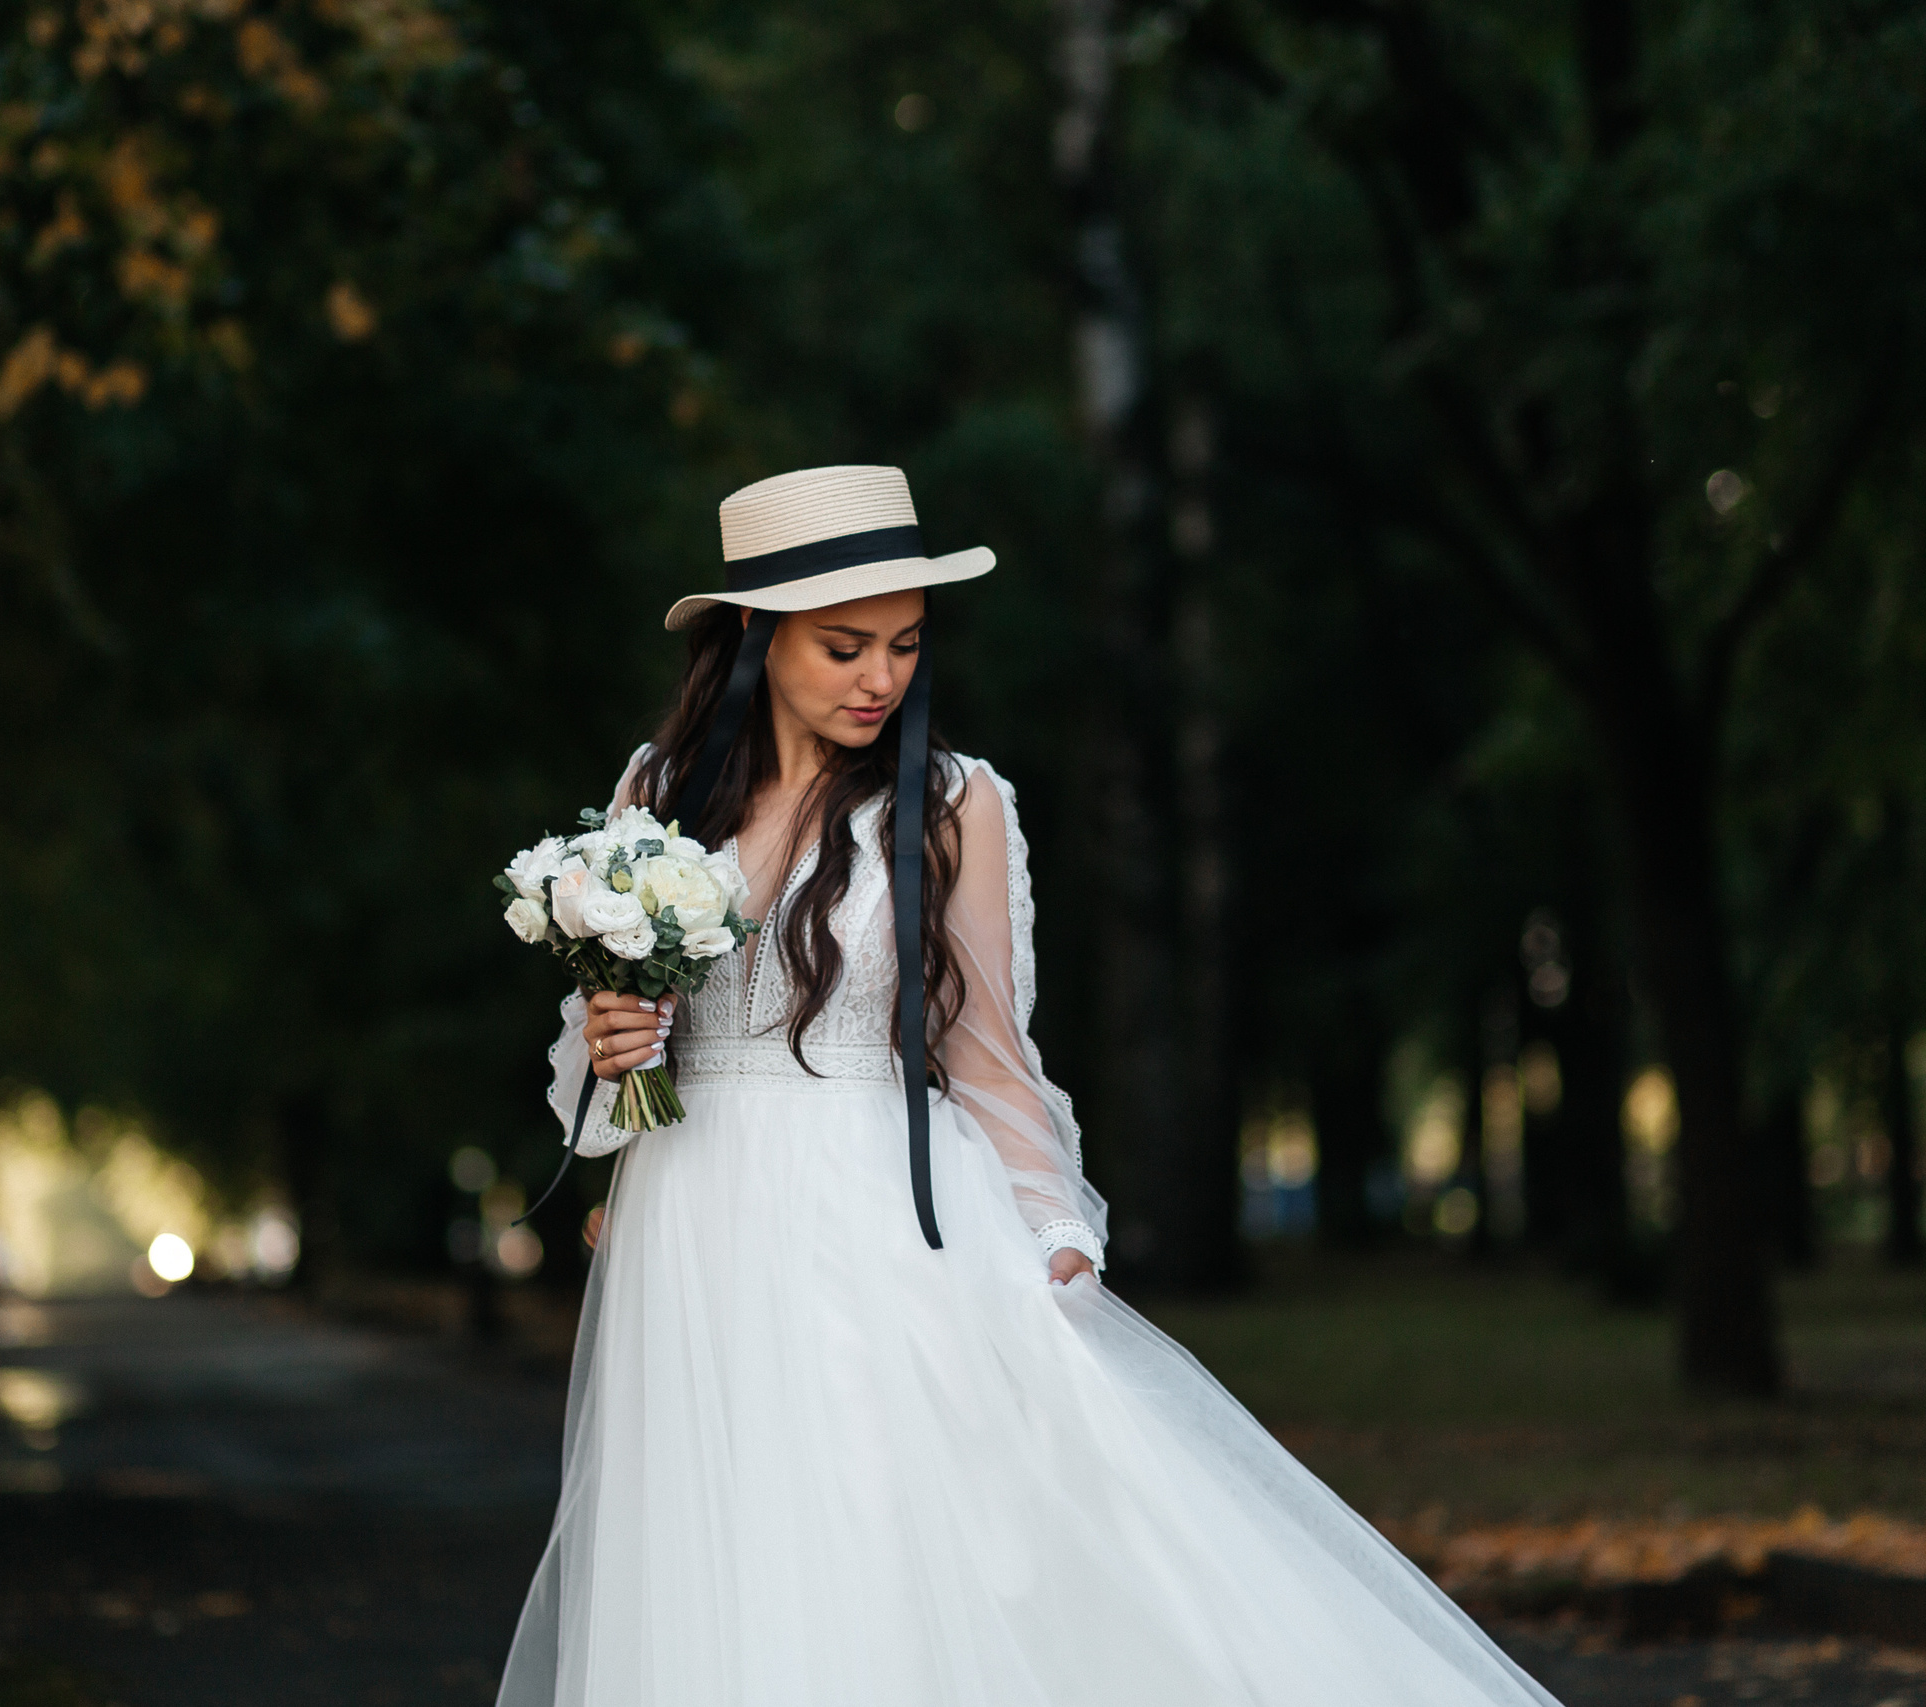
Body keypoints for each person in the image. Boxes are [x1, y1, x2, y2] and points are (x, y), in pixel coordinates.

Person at [496, 466, 1560, 1707]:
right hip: (691, 1220)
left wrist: (1054, 1223)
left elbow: (988, 1049)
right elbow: (600, 1063)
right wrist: (615, 1040)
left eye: (902, 644)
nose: (880, 679)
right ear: (753, 631)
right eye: (846, 647)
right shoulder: (653, 799)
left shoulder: (953, 805)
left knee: (880, 1534)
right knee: (706, 1543)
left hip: (873, 1210)